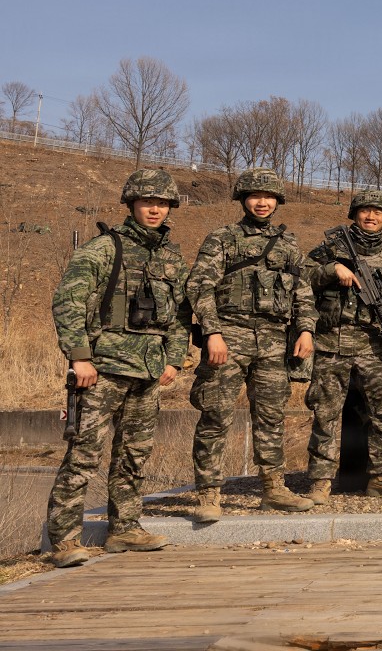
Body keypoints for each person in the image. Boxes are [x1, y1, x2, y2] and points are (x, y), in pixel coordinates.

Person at [46, 169, 191, 567]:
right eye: (147, 202)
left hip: (148, 373)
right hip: (102, 370)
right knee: (83, 458)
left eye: (161, 203)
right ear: (131, 204)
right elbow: (67, 303)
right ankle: (63, 541)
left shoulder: (170, 256)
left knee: (133, 455)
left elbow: (181, 315)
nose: (155, 209)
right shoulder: (103, 249)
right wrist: (79, 357)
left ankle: (125, 529)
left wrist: (174, 359)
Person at [187, 167, 317, 522]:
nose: (262, 202)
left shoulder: (288, 245)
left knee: (272, 417)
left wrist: (305, 330)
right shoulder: (223, 239)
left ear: (278, 201)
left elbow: (304, 294)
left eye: (269, 197)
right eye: (255, 196)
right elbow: (200, 286)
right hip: (229, 335)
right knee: (215, 415)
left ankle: (273, 489)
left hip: (274, 341)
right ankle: (208, 494)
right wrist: (212, 332)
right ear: (243, 199)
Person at [302, 190, 382, 505]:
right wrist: (331, 270)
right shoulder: (329, 249)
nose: (371, 216)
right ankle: (321, 481)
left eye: (378, 212)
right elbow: (300, 278)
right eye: (365, 211)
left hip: (373, 345)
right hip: (331, 341)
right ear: (354, 213)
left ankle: (379, 476)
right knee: (325, 413)